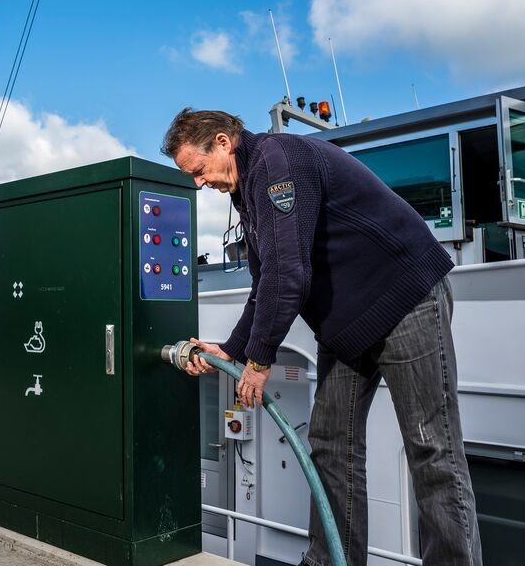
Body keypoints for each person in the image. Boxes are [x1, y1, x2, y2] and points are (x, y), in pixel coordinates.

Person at [162, 108, 482, 566]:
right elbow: (265, 281)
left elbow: (288, 274)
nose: (198, 183)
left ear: (222, 143)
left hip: (405, 300)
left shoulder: (276, 163)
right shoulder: (246, 189)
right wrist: (232, 350)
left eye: (198, 170)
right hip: (349, 324)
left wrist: (258, 361)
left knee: (433, 449)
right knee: (332, 445)